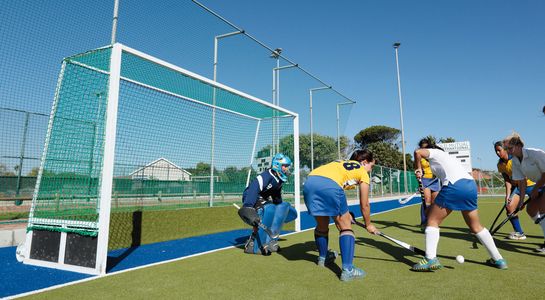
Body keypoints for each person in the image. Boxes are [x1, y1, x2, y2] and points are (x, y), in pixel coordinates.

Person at [412, 144, 507, 271]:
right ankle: (498, 259)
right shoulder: (444, 160)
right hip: (469, 185)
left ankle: (430, 259)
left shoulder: (435, 153)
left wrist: (418, 169)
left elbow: (417, 152)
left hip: (455, 185)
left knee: (432, 221)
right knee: (475, 226)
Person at [303, 149, 378, 281]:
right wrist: (368, 224)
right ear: (364, 162)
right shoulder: (362, 171)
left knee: (322, 225)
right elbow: (364, 204)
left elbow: (334, 201)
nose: (370, 170)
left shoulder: (340, 163)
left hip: (310, 182)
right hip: (329, 185)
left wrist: (346, 214)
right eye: (371, 166)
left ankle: (323, 258)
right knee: (345, 227)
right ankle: (348, 270)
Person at [241, 153, 297, 255]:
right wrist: (248, 206)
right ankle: (253, 244)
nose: (286, 169)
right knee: (269, 209)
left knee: (282, 207)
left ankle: (271, 240)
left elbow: (276, 196)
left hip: (262, 199)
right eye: (285, 166)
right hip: (251, 196)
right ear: (277, 165)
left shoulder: (279, 180)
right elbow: (254, 188)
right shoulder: (266, 176)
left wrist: (281, 208)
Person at [503, 133, 545, 253]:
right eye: (506, 149)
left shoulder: (535, 154)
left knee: (543, 209)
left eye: (510, 148)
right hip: (541, 184)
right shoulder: (515, 161)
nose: (508, 152)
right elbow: (522, 182)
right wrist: (521, 201)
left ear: (519, 145)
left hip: (542, 183)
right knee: (531, 210)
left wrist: (536, 188)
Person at [494, 141, 535, 240]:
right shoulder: (500, 165)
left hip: (531, 185)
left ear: (505, 149)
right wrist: (507, 196)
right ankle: (519, 233)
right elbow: (507, 180)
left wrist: (522, 202)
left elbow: (523, 179)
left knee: (540, 210)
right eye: (496, 151)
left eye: (499, 150)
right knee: (509, 208)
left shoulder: (516, 160)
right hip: (518, 187)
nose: (497, 153)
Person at [417, 138, 441, 228]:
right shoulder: (419, 156)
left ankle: (432, 221)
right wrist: (419, 180)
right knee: (426, 200)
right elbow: (417, 170)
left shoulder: (432, 155)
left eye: (426, 147)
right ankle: (424, 222)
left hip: (435, 180)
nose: (425, 149)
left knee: (435, 202)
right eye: (423, 148)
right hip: (425, 180)